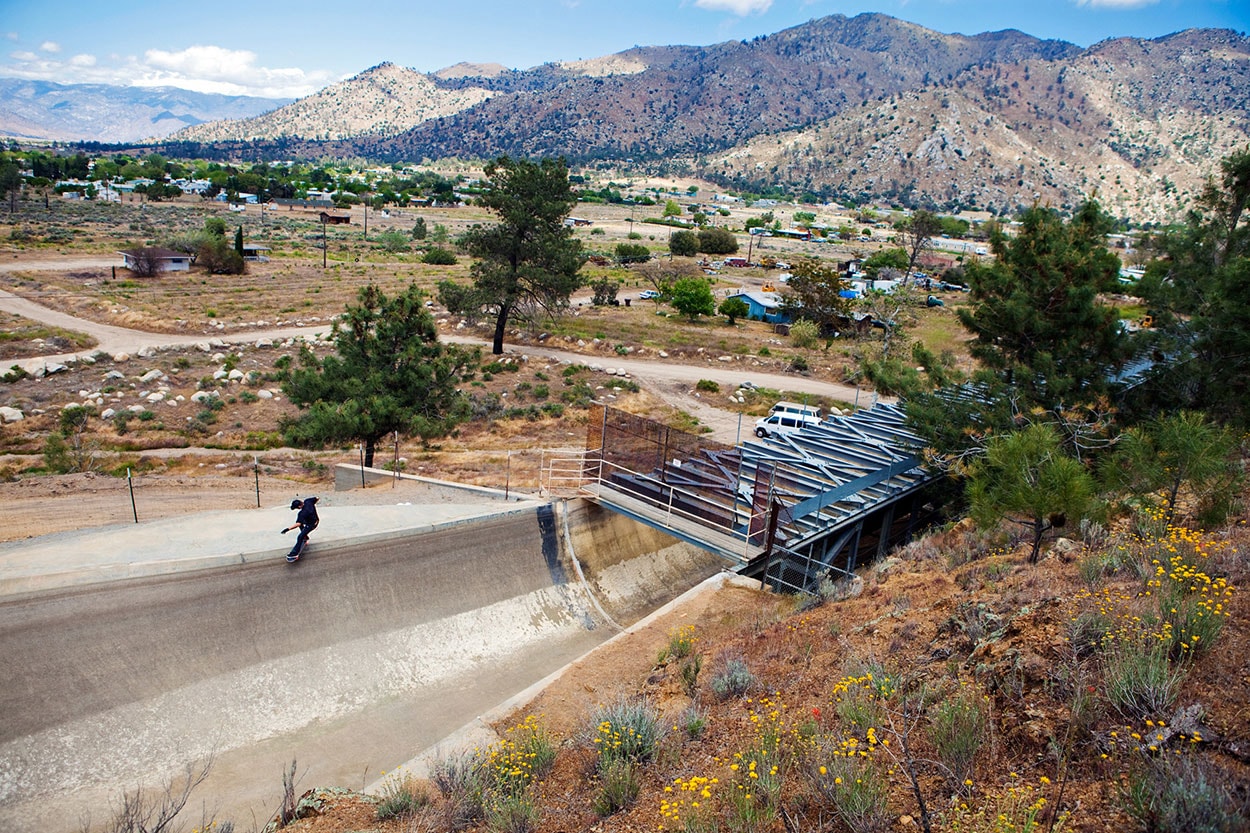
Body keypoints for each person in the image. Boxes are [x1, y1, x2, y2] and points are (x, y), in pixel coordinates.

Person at [281, 497, 319, 562]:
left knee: (300, 537)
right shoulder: (308, 501)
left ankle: (294, 554)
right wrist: (313, 505)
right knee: (302, 523)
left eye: (296, 508)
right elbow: (317, 498)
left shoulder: (302, 513)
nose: (297, 509)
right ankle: (305, 536)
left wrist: (287, 529)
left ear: (299, 506)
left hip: (311, 525)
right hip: (316, 520)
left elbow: (298, 524)